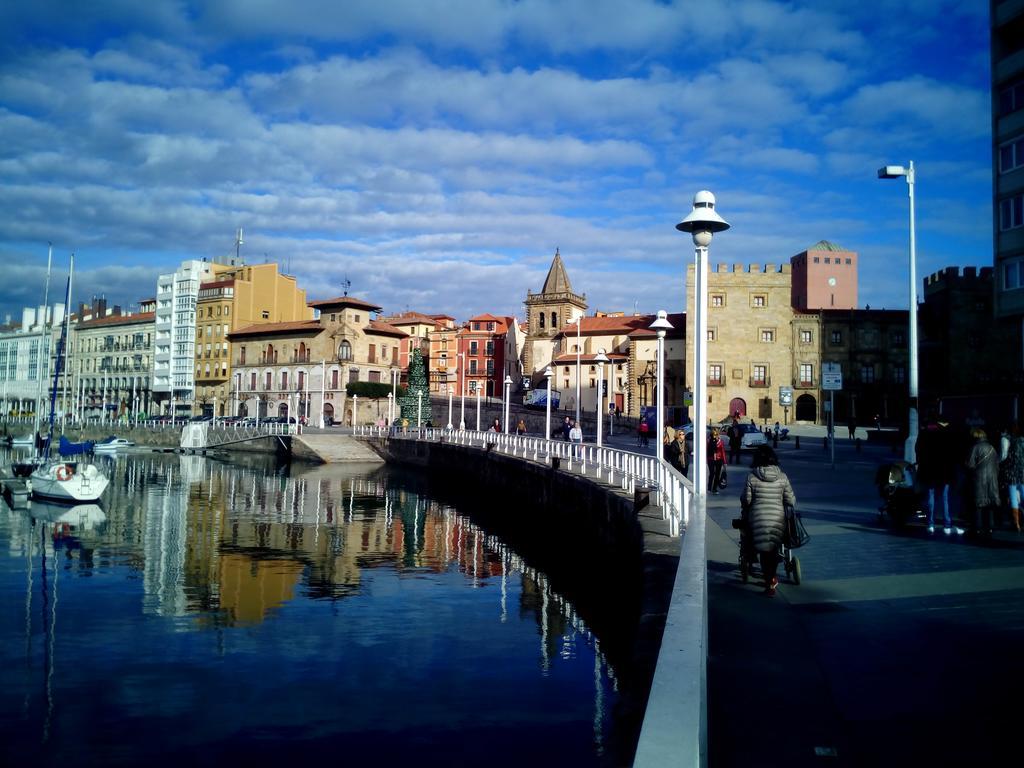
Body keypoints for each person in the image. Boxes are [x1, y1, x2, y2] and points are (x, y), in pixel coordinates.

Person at [741, 445, 796, 597]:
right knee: (772, 549)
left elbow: (746, 499)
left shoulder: (752, 476)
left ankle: (769, 579)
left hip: (757, 519)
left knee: (763, 550)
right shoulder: (782, 477)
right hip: (777, 520)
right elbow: (790, 500)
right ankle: (771, 579)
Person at [916, 416, 962, 535]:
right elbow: (956, 454)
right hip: (946, 472)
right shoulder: (951, 433)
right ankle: (947, 523)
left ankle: (930, 523)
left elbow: (918, 450)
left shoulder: (926, 432)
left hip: (930, 471)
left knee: (931, 496)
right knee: (945, 498)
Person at [966, 428, 1000, 538]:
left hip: (978, 480)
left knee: (978, 505)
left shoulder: (975, 447)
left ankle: (978, 528)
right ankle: (990, 527)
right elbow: (997, 466)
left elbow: (970, 465)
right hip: (992, 480)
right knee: (989, 504)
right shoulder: (992, 448)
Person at [1001, 421, 1024, 533]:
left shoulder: (1006, 439)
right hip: (1022, 471)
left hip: (1011, 471)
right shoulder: (1023, 439)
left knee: (1013, 497)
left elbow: (1003, 456)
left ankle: (1016, 523)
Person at [707, 426, 726, 493]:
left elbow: (722, 452)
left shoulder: (720, 441)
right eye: (714, 434)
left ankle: (714, 489)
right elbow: (706, 450)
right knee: (712, 473)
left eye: (716, 434)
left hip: (719, 459)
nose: (715, 435)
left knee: (717, 474)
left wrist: (724, 462)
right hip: (711, 458)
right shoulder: (709, 440)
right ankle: (709, 488)